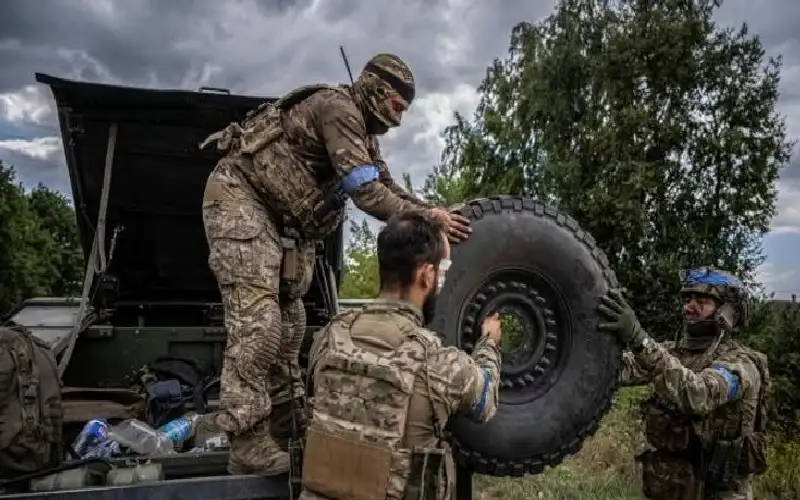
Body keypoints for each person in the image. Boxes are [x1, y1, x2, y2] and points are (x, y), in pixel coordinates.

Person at [198, 53, 472, 476]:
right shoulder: (337, 109)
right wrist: (428, 218)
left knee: (290, 326)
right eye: (397, 106)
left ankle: (289, 429)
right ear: (376, 88)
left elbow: (387, 185)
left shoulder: (363, 136)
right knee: (259, 326)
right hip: (241, 198)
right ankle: (246, 442)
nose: (398, 120)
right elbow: (367, 195)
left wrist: (431, 212)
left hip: (281, 219)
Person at [299, 212, 502, 500]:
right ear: (426, 275)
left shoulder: (330, 336)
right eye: (442, 271)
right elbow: (486, 400)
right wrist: (489, 343)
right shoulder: (439, 362)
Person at [597, 268, 770, 500]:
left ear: (728, 311)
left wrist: (639, 338)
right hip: (674, 486)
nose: (689, 307)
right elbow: (620, 370)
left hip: (720, 492)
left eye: (701, 301)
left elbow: (697, 395)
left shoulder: (740, 364)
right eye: (687, 299)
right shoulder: (675, 352)